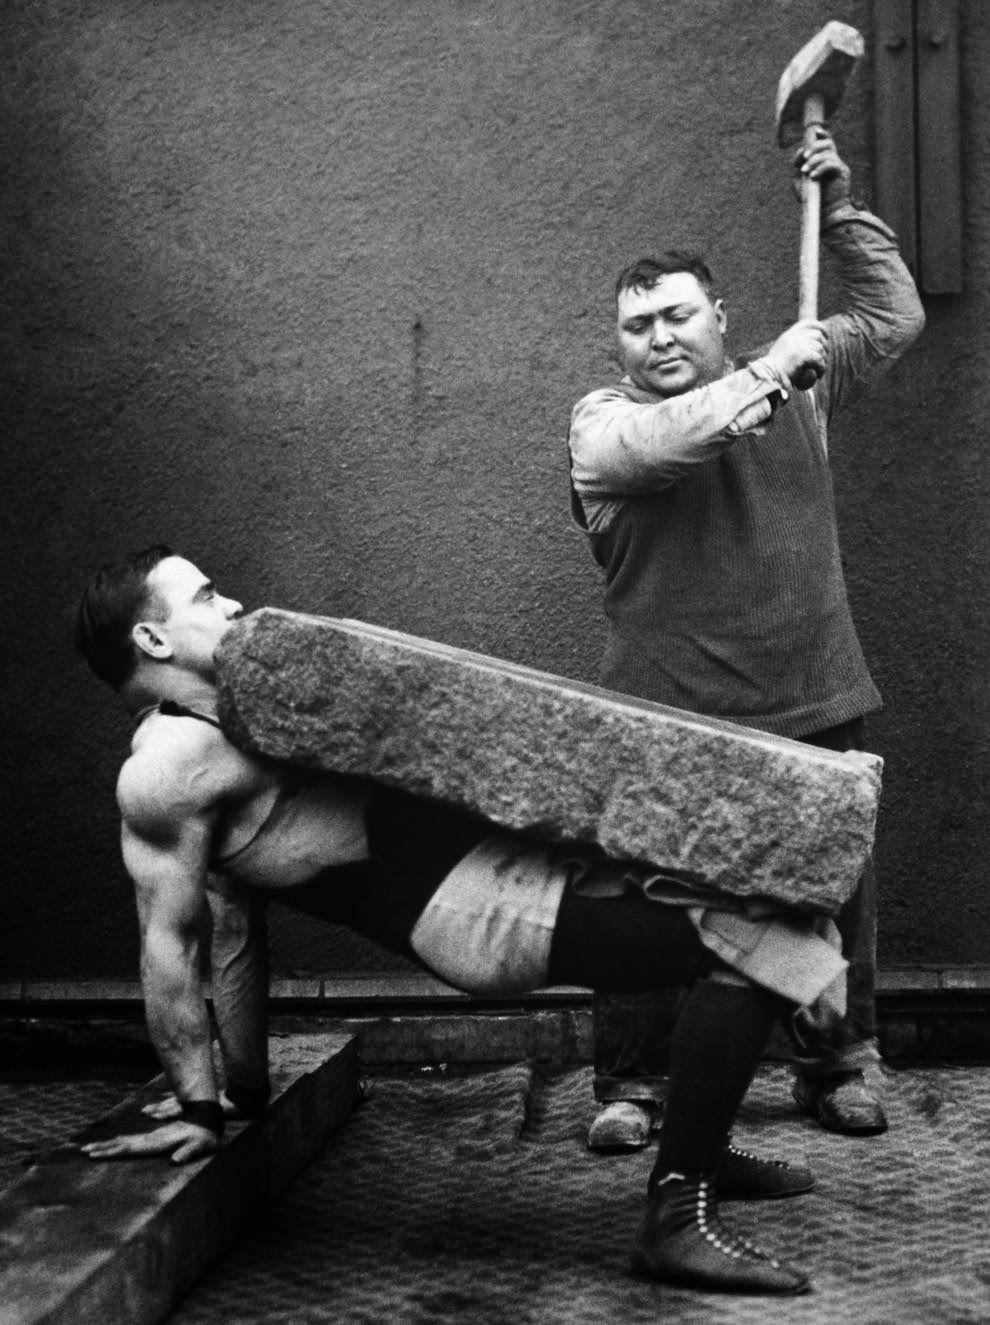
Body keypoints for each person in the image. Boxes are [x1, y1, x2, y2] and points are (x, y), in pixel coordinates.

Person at [72, 545, 862, 1295]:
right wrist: (199, 1107)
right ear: (152, 636)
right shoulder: (165, 771)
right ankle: (676, 1211)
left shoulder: (254, 701)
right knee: (763, 945)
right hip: (471, 911)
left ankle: (704, 1143)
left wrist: (240, 1092)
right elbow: (174, 945)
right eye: (207, 596)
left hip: (502, 865)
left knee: (768, 901)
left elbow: (237, 925)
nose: (233, 602)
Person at [567, 129, 925, 1150]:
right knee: (642, 901)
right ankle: (634, 1084)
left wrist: (843, 199)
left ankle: (838, 1061)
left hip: (811, 692)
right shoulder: (602, 428)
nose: (659, 336)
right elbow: (674, 439)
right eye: (637, 325)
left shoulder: (803, 388)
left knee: (831, 896)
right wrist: (772, 370)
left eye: (678, 313)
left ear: (716, 315)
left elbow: (894, 319)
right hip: (662, 713)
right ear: (618, 346)